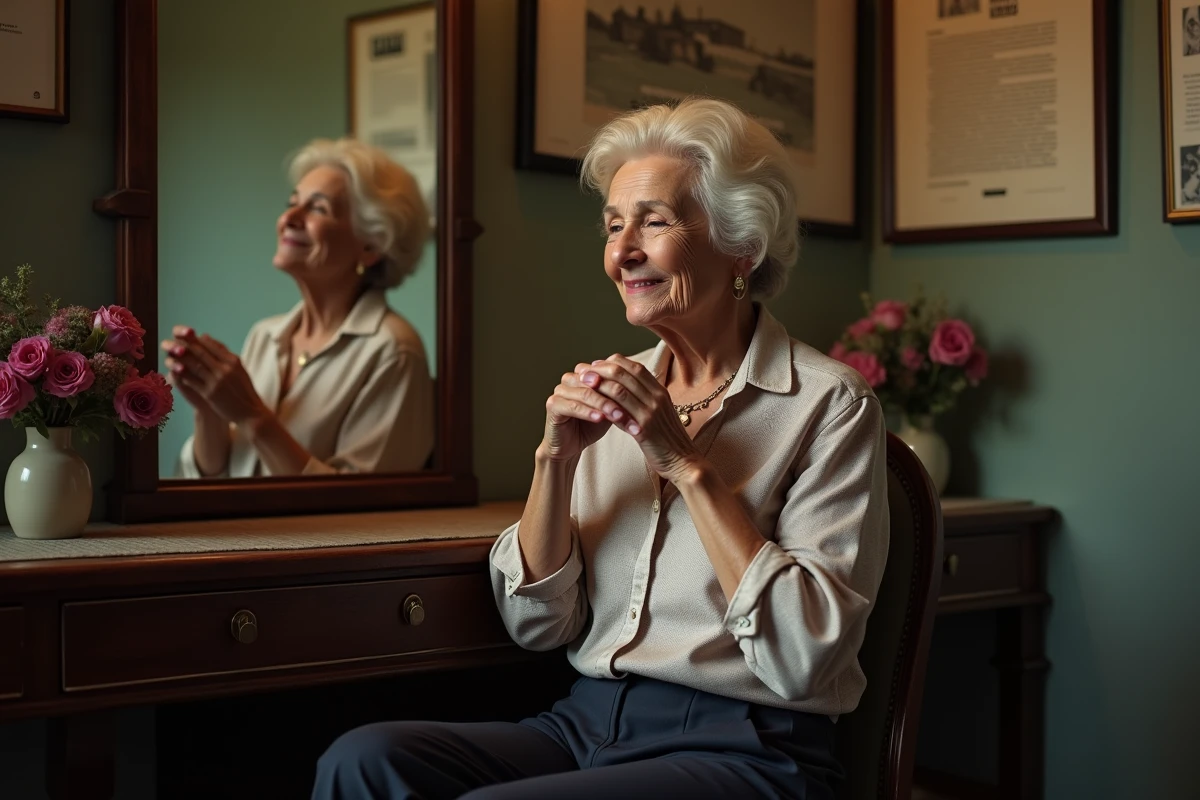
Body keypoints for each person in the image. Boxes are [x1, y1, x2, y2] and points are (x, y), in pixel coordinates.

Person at [312, 98, 889, 799]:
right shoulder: (613, 392)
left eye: (655, 221)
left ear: (743, 244)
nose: (622, 252)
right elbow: (538, 625)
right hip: (584, 723)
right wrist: (554, 461)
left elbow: (805, 655)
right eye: (614, 226)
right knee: (363, 759)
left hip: (750, 747)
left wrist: (686, 466)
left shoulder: (829, 404)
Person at [164, 138, 434, 477]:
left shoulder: (393, 352)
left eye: (317, 208)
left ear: (372, 245)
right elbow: (212, 479)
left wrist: (253, 416)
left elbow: (364, 512)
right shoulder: (266, 335)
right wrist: (209, 410)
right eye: (293, 202)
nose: (289, 217)